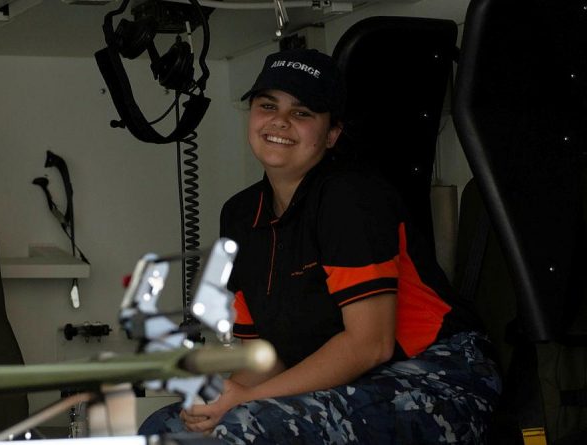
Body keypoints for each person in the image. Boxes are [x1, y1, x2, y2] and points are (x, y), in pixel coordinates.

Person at [138, 48, 501, 444]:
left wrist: (246, 400)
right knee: (165, 428)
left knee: (245, 427)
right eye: (267, 105)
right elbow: (265, 357)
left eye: (302, 112)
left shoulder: (351, 197)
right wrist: (220, 399)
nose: (279, 121)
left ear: (332, 134)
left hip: (441, 374)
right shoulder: (240, 215)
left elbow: (370, 346)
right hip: (353, 381)